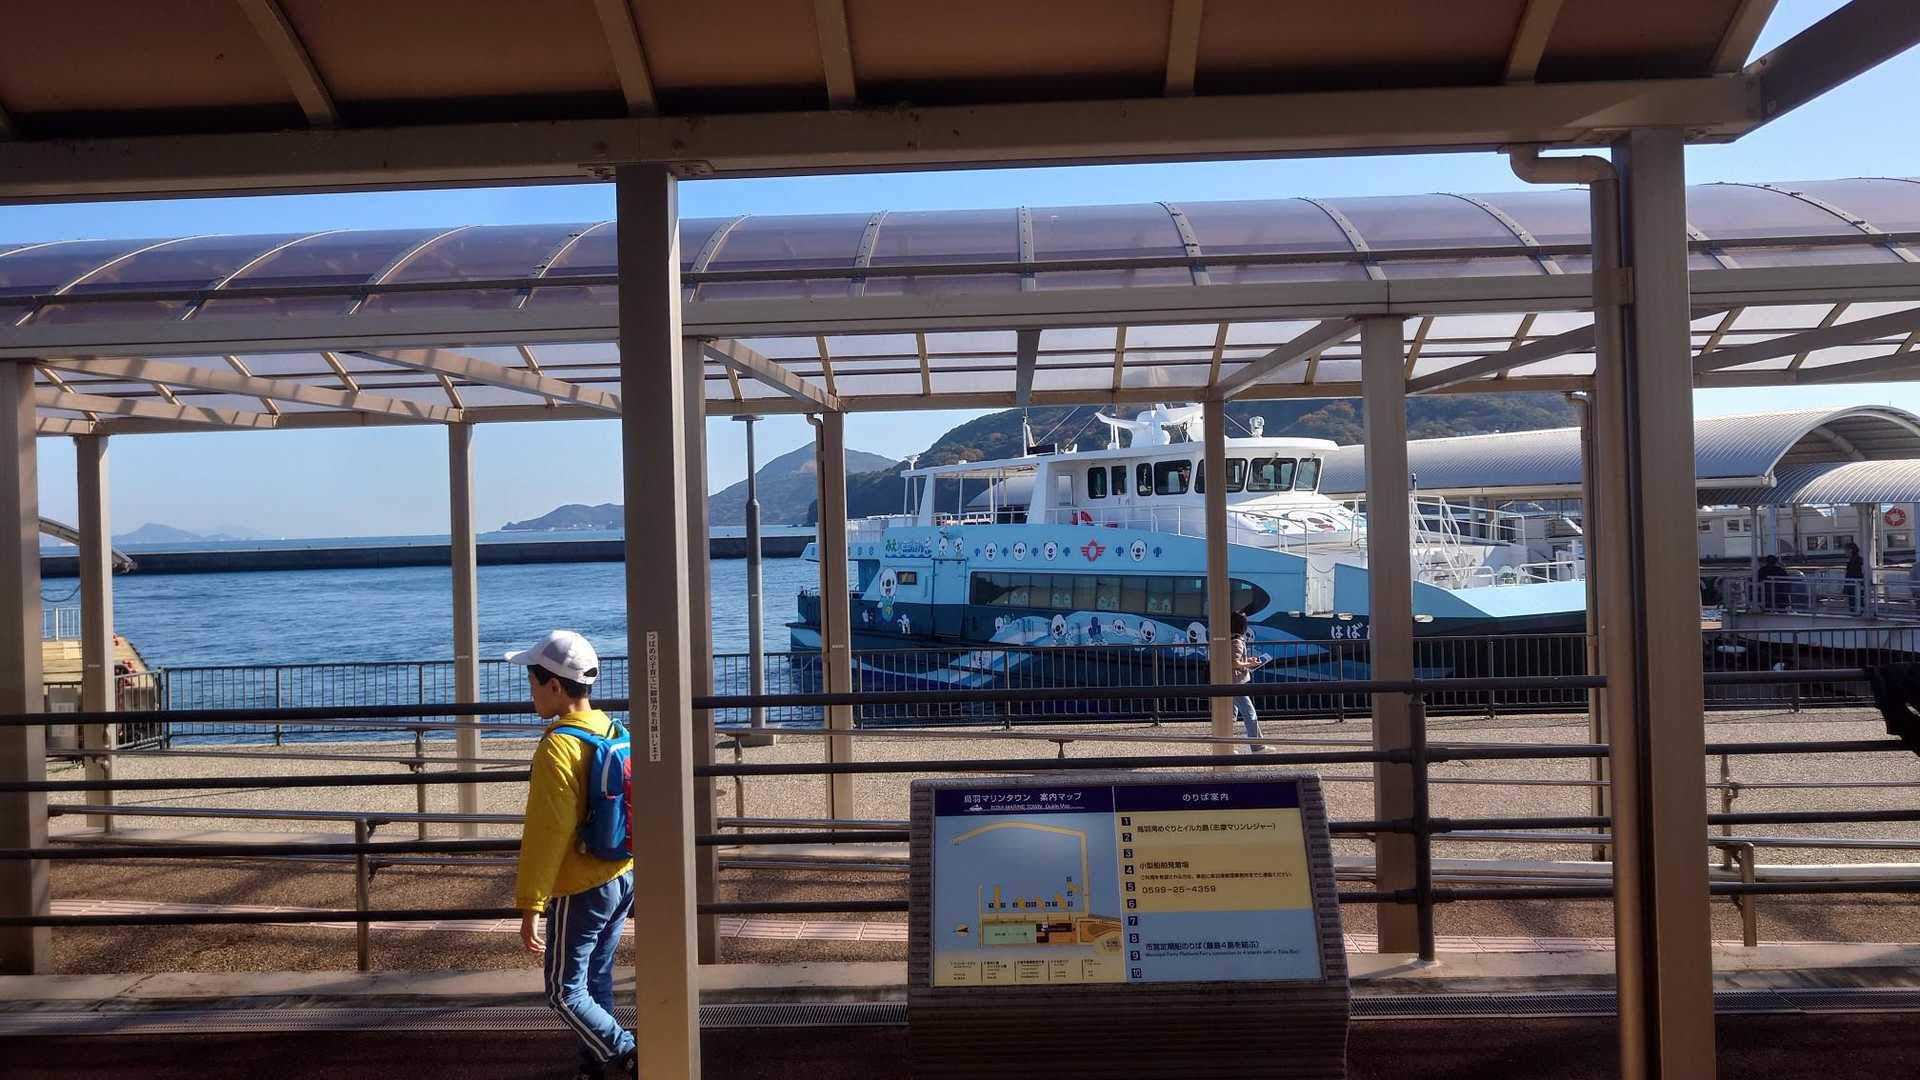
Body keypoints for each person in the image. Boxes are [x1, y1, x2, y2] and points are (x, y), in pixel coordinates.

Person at [508, 629, 636, 1080]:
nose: (531, 693)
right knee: (596, 979)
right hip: (620, 874)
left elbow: (547, 834)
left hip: (580, 886)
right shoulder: (613, 729)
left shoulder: (558, 747)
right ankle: (593, 1066)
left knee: (563, 993)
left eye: (532, 684)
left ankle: (629, 1054)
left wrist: (531, 904)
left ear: (555, 686)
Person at [1229, 612, 1269, 754]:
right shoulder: (1237, 642)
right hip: (1236, 684)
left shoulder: (1229, 639)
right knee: (1250, 713)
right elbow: (1234, 663)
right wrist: (1250, 664)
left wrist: (1247, 661)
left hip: (1229, 683)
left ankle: (1226, 746)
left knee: (1230, 716)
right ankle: (1257, 747)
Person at [1845, 541, 1866, 614]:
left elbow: (1851, 572)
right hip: (1856, 582)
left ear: (1850, 550)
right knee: (1858, 598)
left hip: (1854, 582)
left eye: (1846, 550)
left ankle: (1856, 612)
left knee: (1853, 599)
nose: (1845, 552)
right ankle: (1858, 611)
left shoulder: (1854, 560)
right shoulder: (1858, 559)